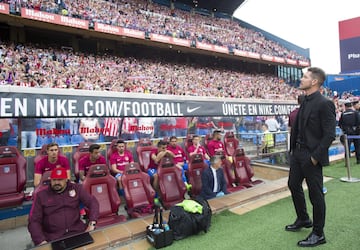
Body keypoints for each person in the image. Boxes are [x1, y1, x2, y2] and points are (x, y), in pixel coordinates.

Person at [287, 67, 336, 247]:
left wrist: (315, 157)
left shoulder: (325, 103)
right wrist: (293, 151)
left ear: (314, 81)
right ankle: (303, 218)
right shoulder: (305, 101)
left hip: (311, 156)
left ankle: (318, 233)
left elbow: (330, 134)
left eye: (305, 77)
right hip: (298, 153)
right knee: (293, 184)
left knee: (316, 195)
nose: (301, 79)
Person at [28, 167, 99, 246]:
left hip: (77, 232)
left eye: (60, 180)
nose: (56, 183)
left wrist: (92, 223)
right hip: (53, 237)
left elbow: (93, 202)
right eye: (54, 180)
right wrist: (41, 241)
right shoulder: (41, 195)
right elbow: (34, 221)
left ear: (66, 179)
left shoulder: (76, 188)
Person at [338, 100, 360, 164]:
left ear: (345, 106)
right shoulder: (356, 113)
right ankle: (358, 160)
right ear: (351, 106)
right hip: (356, 133)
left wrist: (344, 129)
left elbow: (340, 124)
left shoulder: (343, 114)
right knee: (357, 147)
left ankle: (347, 162)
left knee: (347, 148)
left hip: (347, 134)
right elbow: (359, 122)